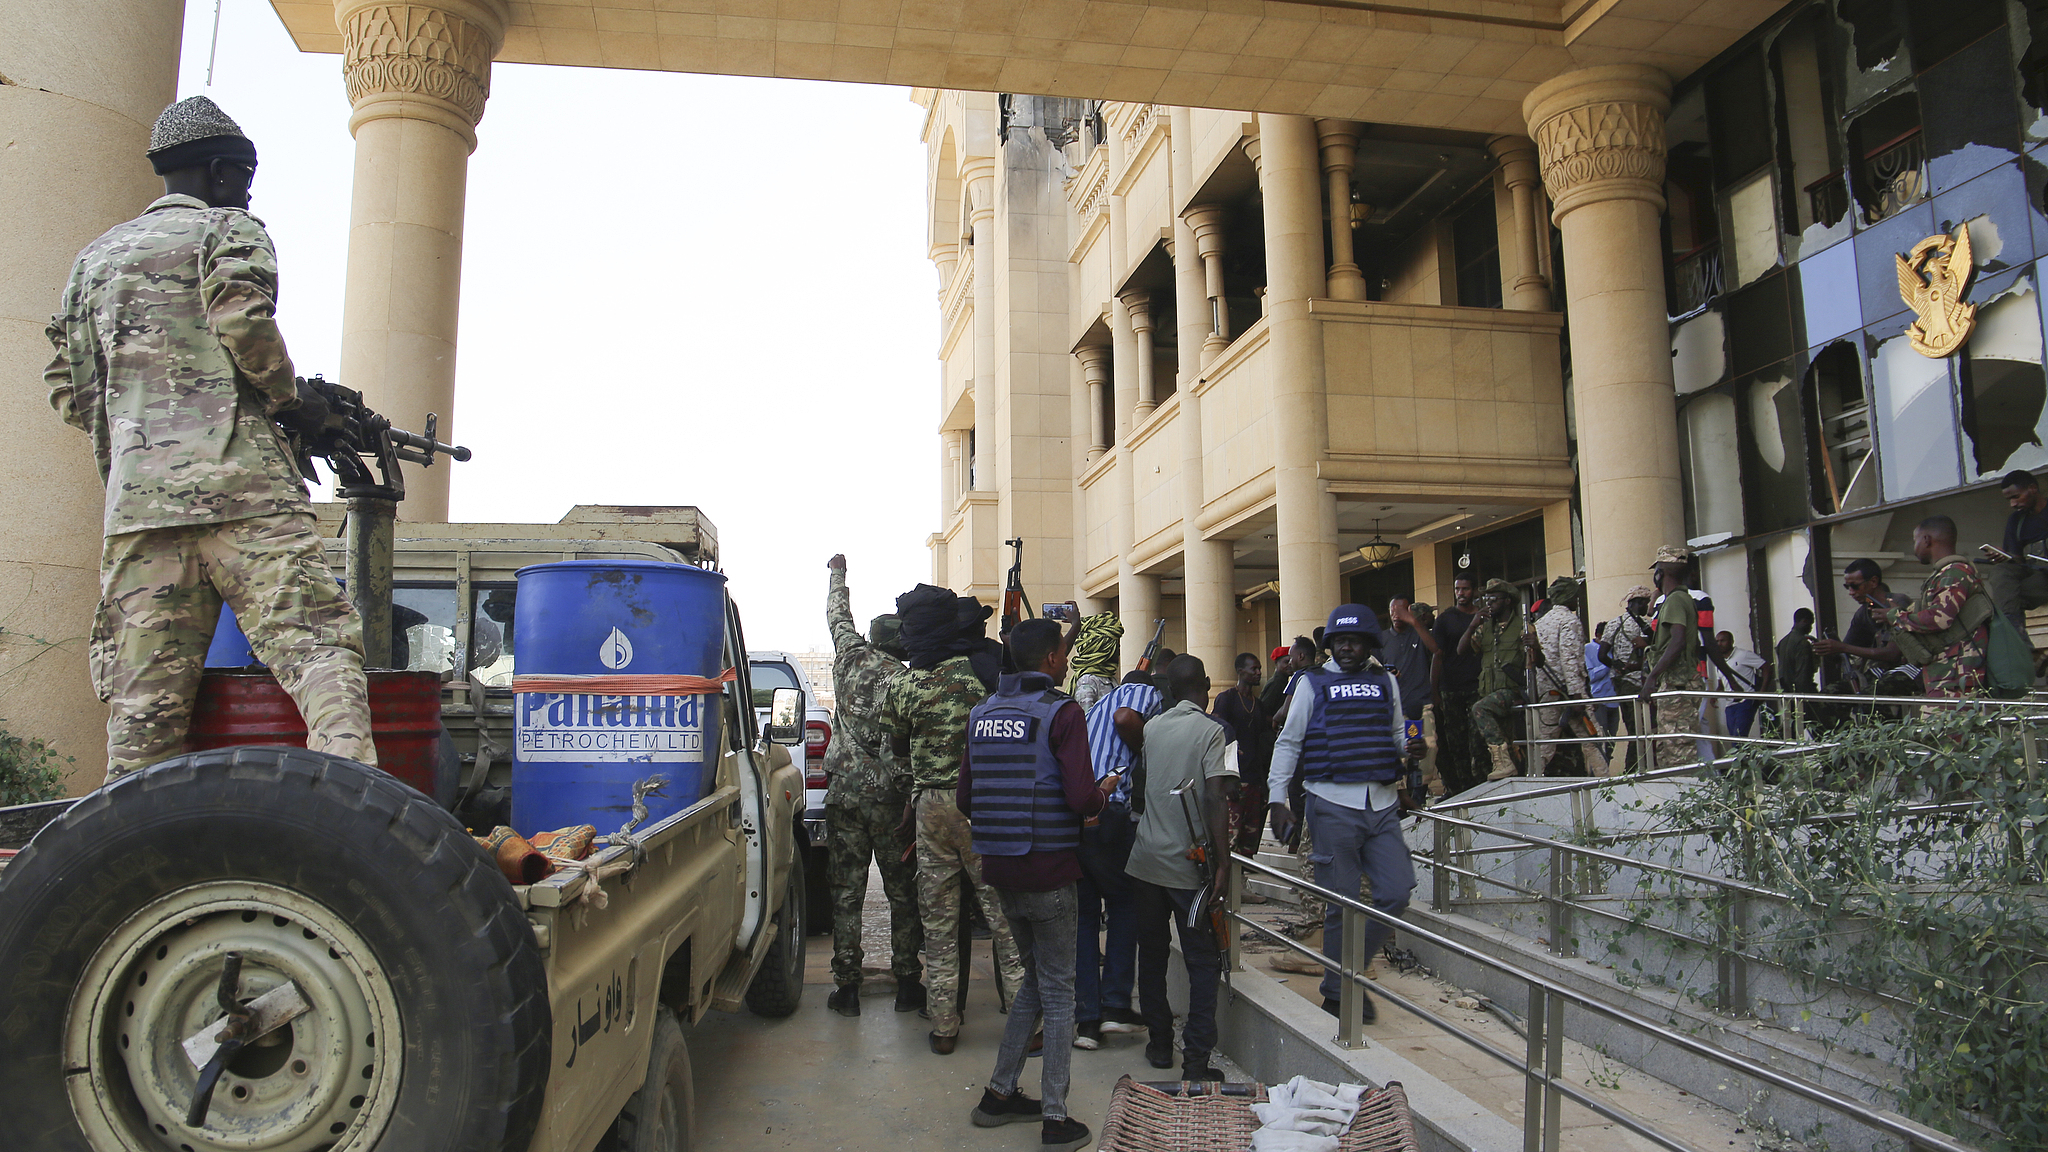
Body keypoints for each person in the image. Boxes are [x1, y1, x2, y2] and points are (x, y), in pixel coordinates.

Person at [45, 96, 374, 781]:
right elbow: (244, 320)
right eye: (245, 179)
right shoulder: (229, 229)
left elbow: (69, 386)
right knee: (318, 654)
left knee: (143, 718)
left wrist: (142, 434)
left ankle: (132, 868)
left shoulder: (92, 263)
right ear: (224, 174)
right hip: (245, 497)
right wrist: (295, 403)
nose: (248, 193)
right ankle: (355, 810)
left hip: (141, 514)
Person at [960, 619, 1113, 1151]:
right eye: (1062, 654)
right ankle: (1055, 1115)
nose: (1066, 661)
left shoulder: (981, 714)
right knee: (1061, 988)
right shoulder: (1062, 712)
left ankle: (999, 1095)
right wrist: (1103, 792)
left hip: (1001, 871)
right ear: (1050, 659)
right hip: (1048, 870)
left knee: (1037, 981)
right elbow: (1080, 799)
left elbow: (964, 800)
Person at [879, 584, 1023, 1054]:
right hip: (980, 804)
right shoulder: (980, 670)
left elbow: (897, 749)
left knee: (939, 923)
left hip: (929, 810)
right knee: (1003, 918)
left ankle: (944, 1025)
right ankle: (1027, 1023)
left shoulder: (902, 684)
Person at [1266, 605, 1423, 1023]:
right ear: (1329, 646)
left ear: (1370, 644)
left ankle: (1348, 973)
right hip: (1331, 804)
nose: (1347, 647)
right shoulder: (1311, 683)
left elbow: (1396, 734)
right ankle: (1339, 990)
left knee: (1395, 891)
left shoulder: (1385, 681)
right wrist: (1277, 798)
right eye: (1339, 641)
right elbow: (1289, 742)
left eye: (1355, 640)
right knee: (1343, 904)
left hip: (1383, 804)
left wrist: (1411, 749)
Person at [821, 556, 924, 1017]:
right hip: (890, 799)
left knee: (846, 892)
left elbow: (837, 613)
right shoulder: (903, 679)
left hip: (844, 795)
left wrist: (837, 572)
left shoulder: (846, 657)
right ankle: (907, 984)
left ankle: (847, 989)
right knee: (902, 891)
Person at [1127, 655, 1237, 1080]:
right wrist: (1224, 862)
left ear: (1169, 690)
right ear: (1207, 684)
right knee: (1202, 962)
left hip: (1145, 861)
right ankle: (1195, 1061)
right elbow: (1215, 797)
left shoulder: (1152, 728)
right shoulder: (1213, 731)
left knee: (1151, 956)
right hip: (1188, 870)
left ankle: (1159, 1046)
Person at [1072, 666, 1163, 1045]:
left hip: (1077, 818)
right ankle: (1114, 1006)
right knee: (1126, 904)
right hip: (1108, 813)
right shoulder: (1139, 692)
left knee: (1086, 916)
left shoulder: (1090, 710)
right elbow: (1127, 718)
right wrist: (1148, 747)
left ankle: (1088, 1021)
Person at [1862, 516, 1991, 698]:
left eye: (1915, 540)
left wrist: (1895, 616)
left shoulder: (1954, 573)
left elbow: (1939, 618)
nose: (1914, 547)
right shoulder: (1945, 574)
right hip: (1946, 674)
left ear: (1926, 540)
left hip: (1956, 676)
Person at [1637, 547, 1738, 767]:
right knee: (1674, 744)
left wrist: (1653, 677)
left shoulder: (1676, 601)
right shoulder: (1677, 599)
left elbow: (1678, 641)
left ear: (1661, 573)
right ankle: (1707, 785)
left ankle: (1691, 794)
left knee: (1678, 749)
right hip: (1677, 681)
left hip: (1677, 682)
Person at [1528, 577, 1600, 775]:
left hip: (1547, 693)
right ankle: (1607, 783)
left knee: (1545, 744)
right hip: (1569, 693)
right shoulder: (1569, 620)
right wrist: (1577, 695)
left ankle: (1532, 780)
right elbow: (1569, 659)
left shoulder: (1541, 623)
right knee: (1593, 739)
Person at [1460, 579, 1526, 782]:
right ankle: (1513, 770)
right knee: (1508, 740)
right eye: (1486, 599)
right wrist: (1472, 625)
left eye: (1493, 599)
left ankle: (1503, 763)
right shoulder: (1486, 628)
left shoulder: (1522, 626)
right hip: (1490, 691)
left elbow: (1536, 662)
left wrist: (1536, 648)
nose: (1489, 603)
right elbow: (1461, 651)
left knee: (1480, 709)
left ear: (1507, 601)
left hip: (1512, 690)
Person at [1211, 653, 1273, 856]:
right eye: (1253, 669)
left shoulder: (1258, 705)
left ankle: (1242, 882)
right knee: (1231, 838)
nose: (1258, 673)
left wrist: (1263, 785)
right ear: (1240, 672)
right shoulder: (1226, 699)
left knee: (1250, 840)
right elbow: (1217, 735)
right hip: (1235, 781)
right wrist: (1226, 777)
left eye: (1259, 669)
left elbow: (1261, 744)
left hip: (1255, 779)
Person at [1813, 560, 1907, 693]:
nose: (1851, 592)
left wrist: (1842, 647)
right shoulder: (1864, 613)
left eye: (1855, 586)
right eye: (1847, 587)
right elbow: (1846, 649)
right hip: (1880, 673)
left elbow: (1892, 654)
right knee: (1830, 695)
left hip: (1908, 670)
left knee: (1871, 695)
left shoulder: (1897, 603)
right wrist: (1827, 648)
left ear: (1874, 582)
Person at [1430, 577, 1487, 795]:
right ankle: (1463, 790)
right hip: (1451, 688)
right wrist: (1434, 692)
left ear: (1473, 591)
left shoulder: (1482, 617)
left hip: (1476, 687)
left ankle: (1481, 785)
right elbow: (1438, 656)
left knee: (1478, 741)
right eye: (1457, 589)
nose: (1461, 593)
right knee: (1456, 742)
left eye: (1465, 588)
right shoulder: (1445, 619)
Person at [1385, 600, 1440, 799]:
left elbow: (1437, 651)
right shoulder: (1383, 639)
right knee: (1402, 755)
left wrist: (1414, 622)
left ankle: (1420, 796)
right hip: (1399, 710)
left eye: (1400, 610)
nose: (1396, 614)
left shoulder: (1419, 634)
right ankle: (1400, 800)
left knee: (1427, 750)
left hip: (1420, 706)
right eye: (1392, 610)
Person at [1600, 585, 1655, 772]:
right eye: (1641, 603)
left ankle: (1643, 766)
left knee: (1644, 726)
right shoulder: (1622, 624)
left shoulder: (1644, 624)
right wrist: (1619, 666)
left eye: (1646, 603)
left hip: (1639, 681)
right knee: (1637, 727)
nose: (1644, 606)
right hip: (1630, 682)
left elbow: (1603, 655)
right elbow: (1602, 655)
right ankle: (1633, 769)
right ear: (1632, 603)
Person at [1986, 469, 2048, 633]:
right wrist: (2004, 557)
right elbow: (2019, 562)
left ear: (2032, 488)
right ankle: (2015, 639)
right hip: (2037, 576)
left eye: (2016, 497)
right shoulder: (2016, 520)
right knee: (2002, 578)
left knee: (2010, 597)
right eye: (2009, 499)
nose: (2013, 504)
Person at [1705, 631, 1769, 741]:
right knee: (1735, 739)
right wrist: (1714, 696)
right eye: (1717, 641)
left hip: (1746, 701)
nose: (1719, 644)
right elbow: (1721, 683)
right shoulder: (1719, 662)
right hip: (1729, 705)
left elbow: (1766, 668)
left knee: (1739, 738)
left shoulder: (1743, 655)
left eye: (1723, 641)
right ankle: (1747, 757)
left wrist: (1762, 692)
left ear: (1731, 641)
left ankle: (1744, 757)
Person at [1065, 612, 1123, 712]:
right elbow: (1087, 721)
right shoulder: (1088, 681)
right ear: (1104, 649)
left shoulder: (1109, 679)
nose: (1118, 652)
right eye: (1116, 647)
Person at [1585, 622, 1617, 764]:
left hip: (1615, 701)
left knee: (1612, 741)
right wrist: (1607, 663)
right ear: (1599, 636)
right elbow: (1590, 676)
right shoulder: (1588, 649)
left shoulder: (1614, 649)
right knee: (1600, 741)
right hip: (1599, 700)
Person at [1775, 609, 1817, 697]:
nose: (1811, 627)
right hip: (1801, 692)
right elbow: (1803, 673)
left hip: (1787, 691)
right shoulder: (1802, 643)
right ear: (1804, 621)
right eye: (1810, 624)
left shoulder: (1783, 641)